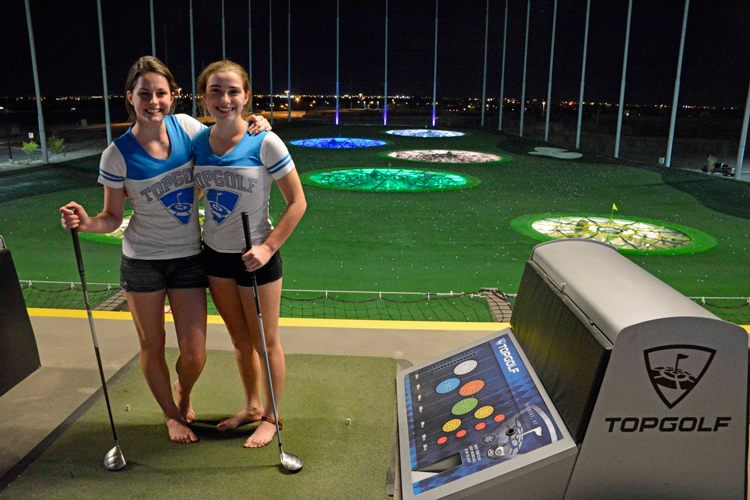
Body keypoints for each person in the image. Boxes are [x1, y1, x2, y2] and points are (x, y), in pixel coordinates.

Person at [59, 56, 271, 444]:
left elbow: (227, 131)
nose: (153, 101)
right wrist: (87, 223)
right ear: (130, 98)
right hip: (142, 262)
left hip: (190, 257)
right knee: (152, 344)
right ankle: (172, 416)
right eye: (144, 94)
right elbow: (110, 216)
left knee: (195, 355)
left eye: (160, 93)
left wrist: (259, 124)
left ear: (172, 97)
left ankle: (184, 391)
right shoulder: (117, 154)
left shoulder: (188, 128)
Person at [193, 60, 306, 448]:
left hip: (255, 256)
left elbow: (297, 202)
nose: (224, 99)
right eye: (215, 91)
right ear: (203, 97)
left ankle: (273, 417)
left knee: (264, 341)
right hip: (215, 255)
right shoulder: (196, 142)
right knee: (240, 340)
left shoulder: (265, 141)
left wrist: (268, 246)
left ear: (246, 97)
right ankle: (252, 406)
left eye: (233, 91)